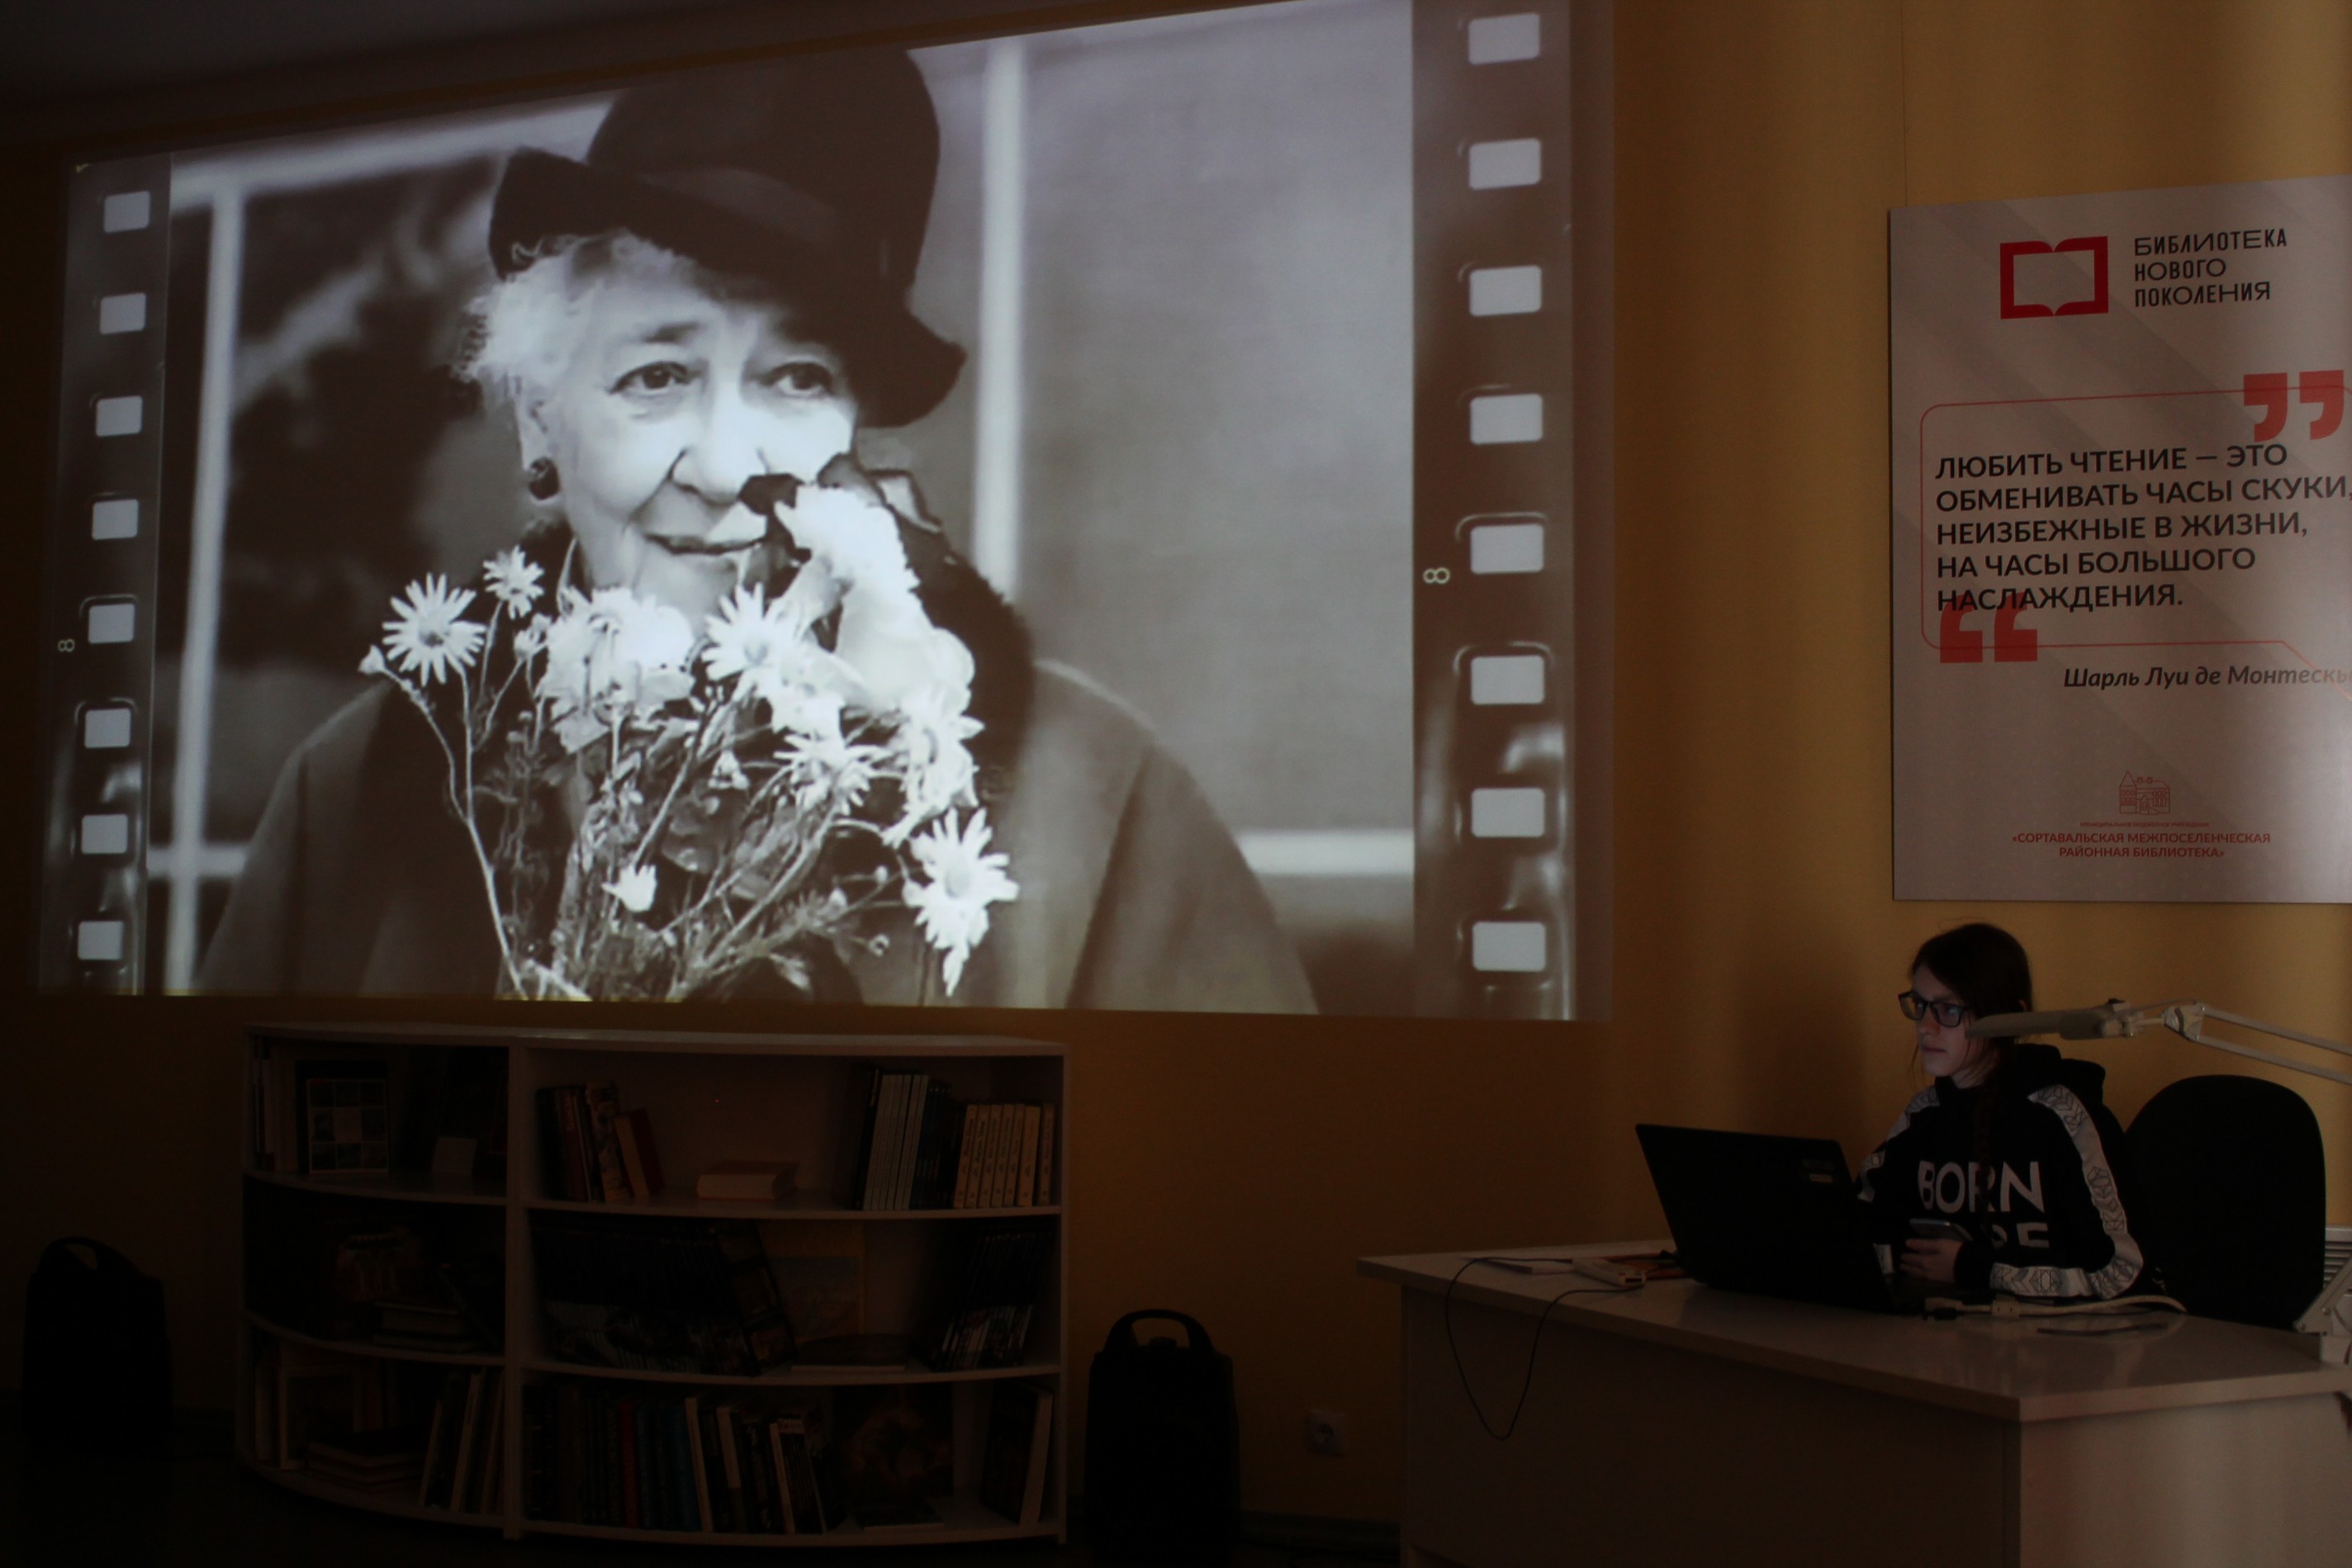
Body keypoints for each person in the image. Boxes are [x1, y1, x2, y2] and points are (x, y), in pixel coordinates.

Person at [200, 50, 1314, 1013]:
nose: (729, 468)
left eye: (796, 376)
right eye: (657, 375)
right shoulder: (355, 788)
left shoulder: (1099, 798)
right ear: (540, 416)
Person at [1857, 922, 2146, 1300]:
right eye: (1920, 1005)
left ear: (2012, 1017)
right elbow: (1868, 1222)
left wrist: (1972, 1267)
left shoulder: (2064, 1117)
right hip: (1956, 1328)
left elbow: (2119, 1269)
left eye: (1948, 1009)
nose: (1926, 1028)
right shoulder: (1924, 1116)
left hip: (2069, 1332)